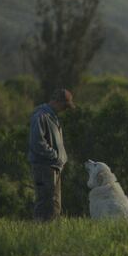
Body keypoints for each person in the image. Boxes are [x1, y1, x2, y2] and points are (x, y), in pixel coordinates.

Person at [27, 88, 75, 221]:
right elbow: (37, 143)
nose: (65, 109)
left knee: (54, 202)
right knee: (45, 201)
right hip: (44, 166)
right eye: (64, 106)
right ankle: (40, 231)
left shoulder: (52, 116)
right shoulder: (40, 116)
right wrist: (55, 156)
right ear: (56, 101)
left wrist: (60, 159)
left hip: (54, 166)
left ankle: (51, 232)